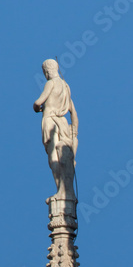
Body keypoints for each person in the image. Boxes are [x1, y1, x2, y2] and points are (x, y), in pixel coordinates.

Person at [33, 60, 78, 200]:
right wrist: (74, 130)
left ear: (47, 71)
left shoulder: (50, 83)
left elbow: (38, 102)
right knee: (64, 156)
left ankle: (61, 190)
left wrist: (36, 108)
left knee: (54, 157)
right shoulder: (66, 86)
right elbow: (73, 112)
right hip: (63, 124)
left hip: (50, 122)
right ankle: (66, 190)